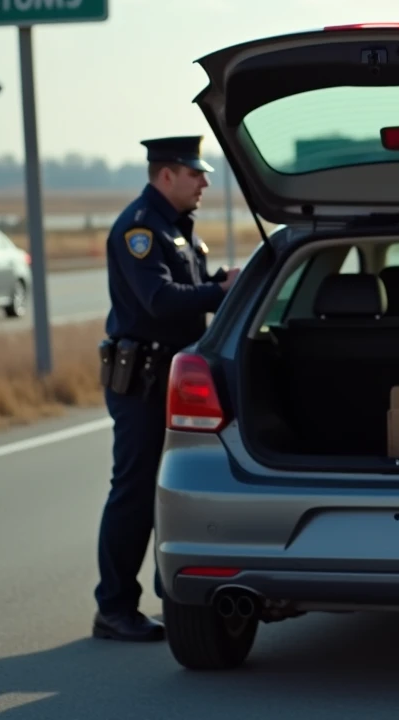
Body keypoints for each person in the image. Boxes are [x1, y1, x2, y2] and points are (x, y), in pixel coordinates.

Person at [92, 135, 240, 642]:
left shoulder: (176, 229)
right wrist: (216, 291)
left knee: (167, 493)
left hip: (170, 378)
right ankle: (113, 607)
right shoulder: (141, 229)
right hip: (141, 380)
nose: (204, 181)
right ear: (166, 175)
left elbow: (191, 287)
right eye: (195, 173)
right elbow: (158, 299)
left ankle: (165, 593)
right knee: (133, 491)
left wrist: (223, 282)